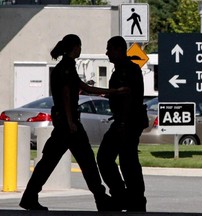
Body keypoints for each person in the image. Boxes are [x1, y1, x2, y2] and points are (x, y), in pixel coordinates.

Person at [19, 34, 124, 211]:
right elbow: (67, 95)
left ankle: (29, 196)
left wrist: (112, 91)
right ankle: (100, 198)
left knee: (50, 162)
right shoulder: (66, 68)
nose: (80, 50)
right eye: (79, 46)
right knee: (86, 161)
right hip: (69, 125)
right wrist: (70, 122)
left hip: (63, 123)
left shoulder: (65, 67)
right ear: (75, 48)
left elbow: (85, 87)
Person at [97, 36, 148, 212]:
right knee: (124, 160)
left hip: (127, 122)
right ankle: (128, 197)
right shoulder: (123, 69)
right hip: (125, 121)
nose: (107, 53)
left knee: (120, 160)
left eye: (109, 49)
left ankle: (130, 197)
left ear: (119, 50)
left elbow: (128, 98)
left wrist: (124, 123)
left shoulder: (127, 71)